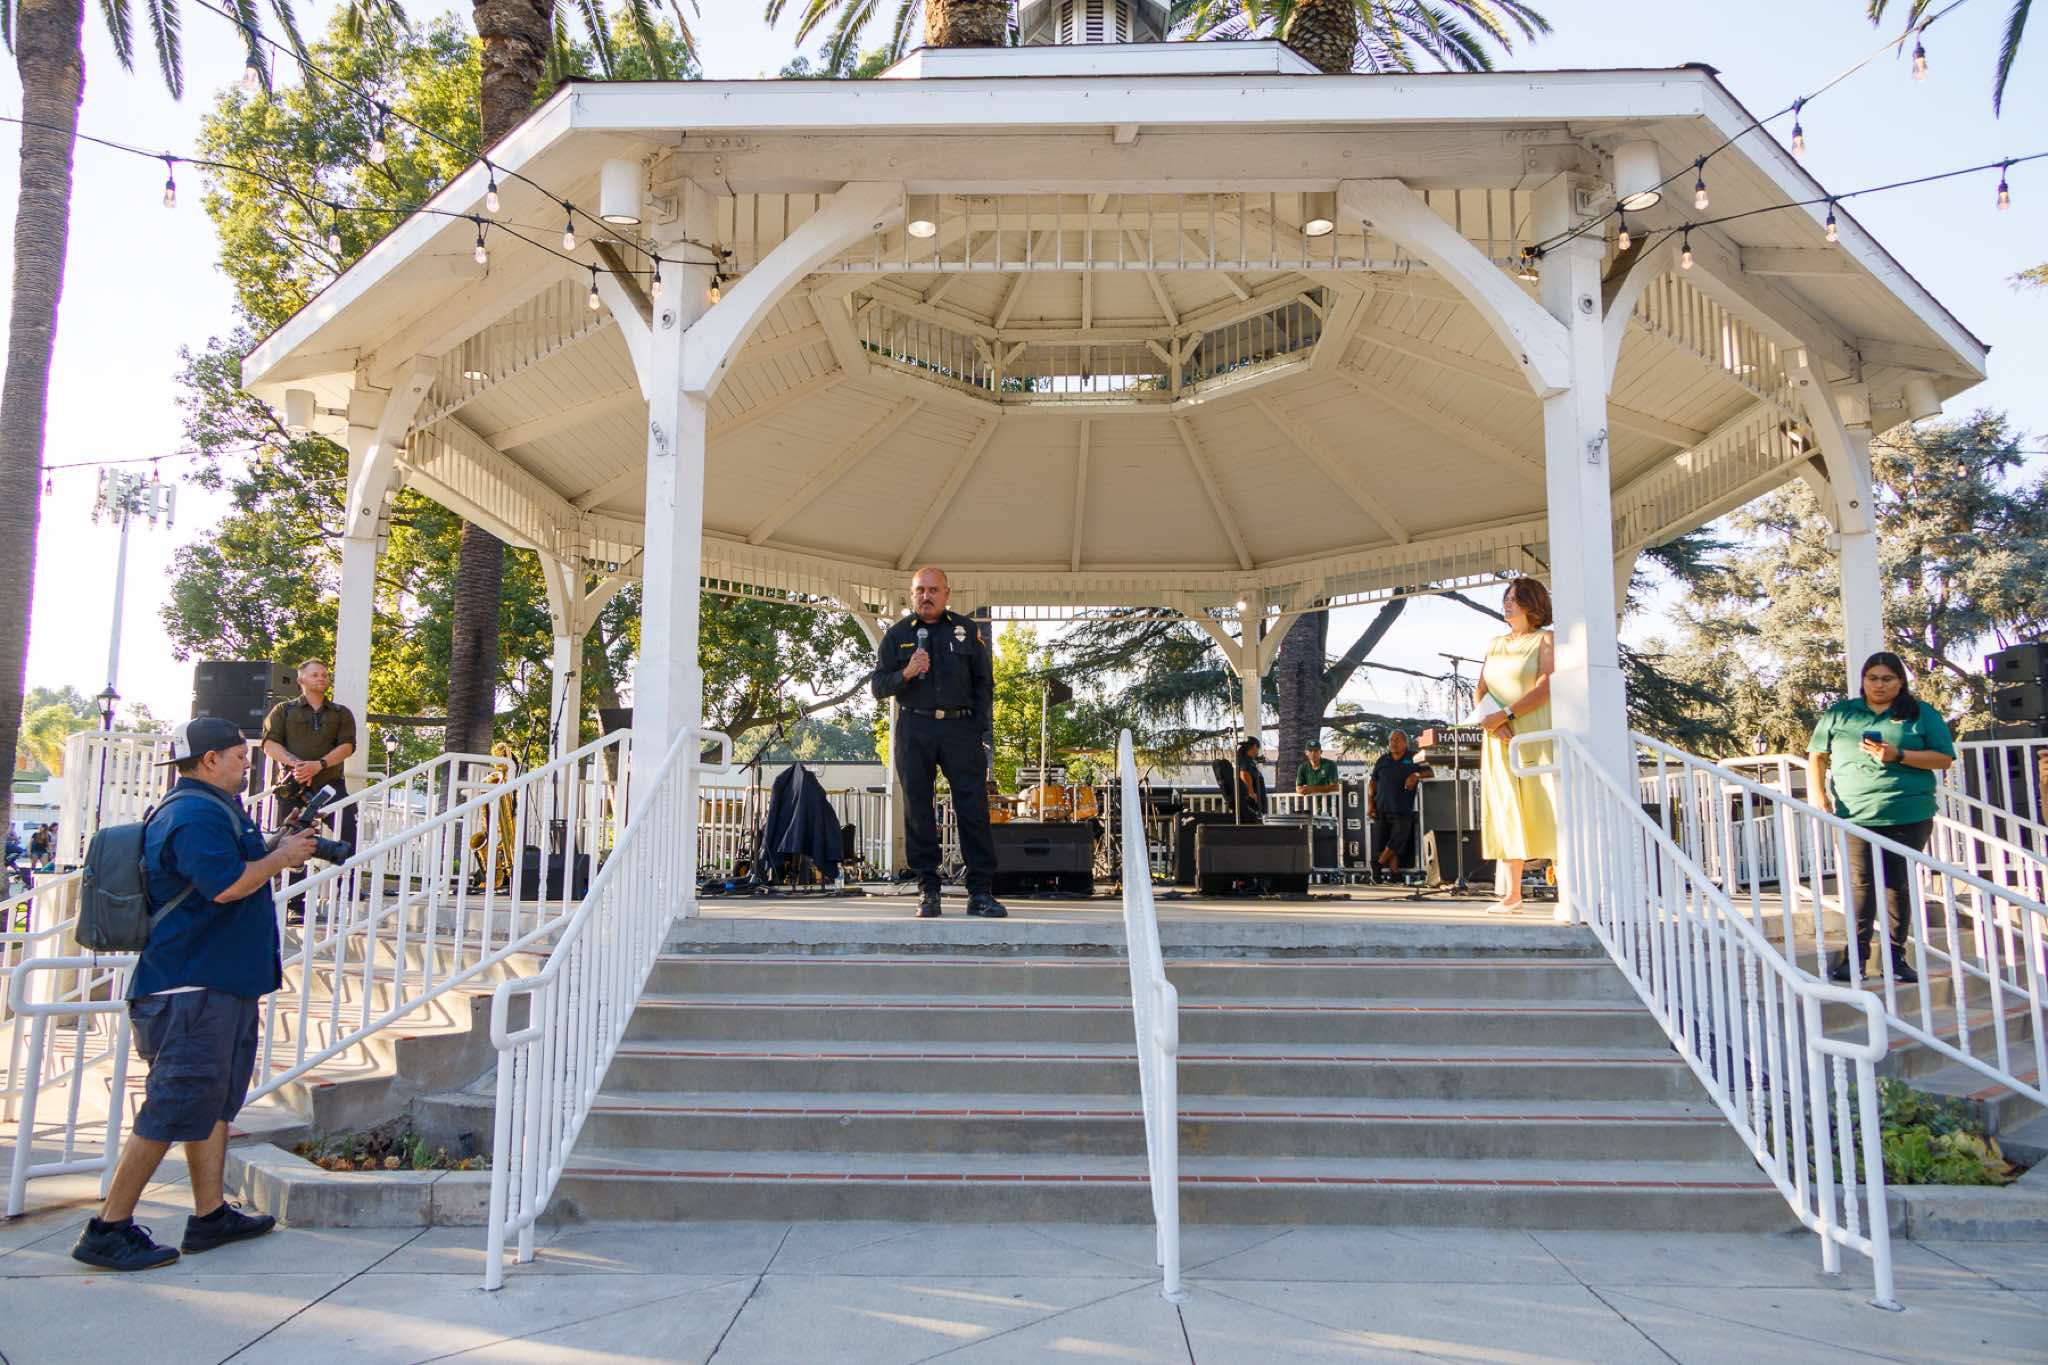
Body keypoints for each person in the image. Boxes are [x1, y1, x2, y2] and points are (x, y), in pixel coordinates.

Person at [71, 716, 316, 1271]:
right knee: (173, 1104)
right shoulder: (194, 814)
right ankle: (108, 1228)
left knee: (212, 1103)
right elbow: (226, 886)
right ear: (210, 760)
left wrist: (276, 846)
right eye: (239, 756)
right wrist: (281, 858)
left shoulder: (213, 808)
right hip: (191, 988)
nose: (247, 765)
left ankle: (210, 1216)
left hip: (218, 984)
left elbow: (233, 868)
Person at [1807, 651, 1956, 985]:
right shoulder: (1841, 712)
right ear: (1863, 681)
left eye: (1887, 678)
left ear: (1900, 681)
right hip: (1855, 815)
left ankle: (1894, 958)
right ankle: (1855, 958)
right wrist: (1819, 796)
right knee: (1861, 884)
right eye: (1872, 678)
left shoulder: (1921, 713)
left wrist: (1898, 754)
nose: (1879, 685)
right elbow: (1817, 755)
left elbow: (1943, 758)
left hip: (1908, 814)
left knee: (1896, 885)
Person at [871, 566, 1006, 920]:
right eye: (920, 590)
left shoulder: (966, 630)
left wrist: (976, 729)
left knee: (973, 808)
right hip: (914, 727)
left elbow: (984, 683)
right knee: (918, 809)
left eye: (933, 590)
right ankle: (928, 889)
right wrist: (907, 672)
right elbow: (878, 686)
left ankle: (980, 892)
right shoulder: (897, 635)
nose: (926, 596)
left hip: (960, 728)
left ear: (946, 593)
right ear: (911, 595)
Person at [1475, 578, 1556, 913]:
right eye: (1506, 598)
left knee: (1546, 803)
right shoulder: (1495, 644)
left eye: (1514, 598)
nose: (1507, 604)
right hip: (1498, 736)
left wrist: (1508, 713)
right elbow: (1480, 689)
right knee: (1505, 806)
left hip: (1534, 733)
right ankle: (1512, 895)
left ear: (1531, 603)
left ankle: (1568, 888)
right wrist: (1494, 722)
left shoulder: (1545, 639)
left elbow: (1546, 685)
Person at [261, 658, 359, 854]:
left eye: (324, 675)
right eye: (315, 675)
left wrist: (319, 765)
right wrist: (297, 765)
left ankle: (347, 874)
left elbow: (347, 746)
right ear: (301, 680)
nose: (321, 678)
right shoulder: (283, 710)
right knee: (288, 840)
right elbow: (269, 744)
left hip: (330, 785)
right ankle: (296, 875)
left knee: (348, 834)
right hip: (292, 786)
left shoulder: (341, 713)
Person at [1368, 730, 1433, 884]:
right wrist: (1370, 804)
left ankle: (1377, 863)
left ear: (1405, 742)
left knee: (1398, 839)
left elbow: (1430, 772)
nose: (1393, 743)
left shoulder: (1415, 756)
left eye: (1397, 740)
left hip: (1403, 808)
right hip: (1381, 806)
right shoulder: (1382, 760)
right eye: (1391, 740)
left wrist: (1416, 775)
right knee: (1386, 842)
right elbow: (1373, 782)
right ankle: (1395, 873)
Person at [1234, 737, 1269, 822]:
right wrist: (1251, 792)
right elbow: (1244, 774)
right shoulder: (1245, 760)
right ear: (1254, 747)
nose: (1258, 752)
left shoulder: (1247, 760)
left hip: (1255, 804)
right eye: (1258, 748)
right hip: (1252, 804)